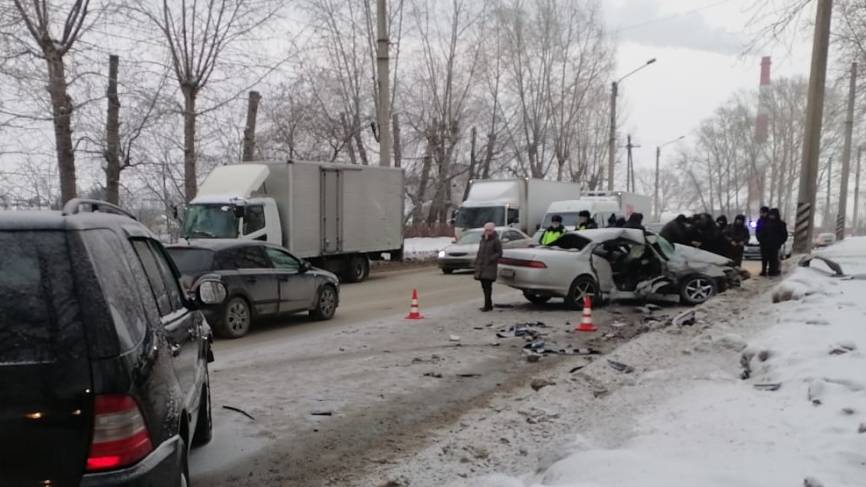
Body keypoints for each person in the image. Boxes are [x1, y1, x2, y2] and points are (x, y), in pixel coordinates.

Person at [474, 222, 502, 312]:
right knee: (484, 287)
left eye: (489, 230)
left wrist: (491, 258)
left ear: (493, 230)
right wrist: (477, 262)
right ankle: (488, 305)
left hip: (490, 267)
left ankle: (487, 305)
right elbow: (480, 252)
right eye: (486, 230)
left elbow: (499, 253)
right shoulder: (483, 240)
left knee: (487, 287)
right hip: (482, 267)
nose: (487, 232)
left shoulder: (496, 240)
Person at [764, 208, 788, 276]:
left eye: (773, 215)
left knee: (774, 259)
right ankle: (767, 270)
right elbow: (762, 233)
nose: (771, 216)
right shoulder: (766, 223)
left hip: (775, 245)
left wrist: (780, 242)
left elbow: (784, 235)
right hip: (766, 244)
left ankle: (774, 271)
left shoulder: (781, 224)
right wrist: (763, 241)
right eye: (770, 215)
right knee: (766, 258)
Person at [755, 206, 771, 276]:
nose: (761, 214)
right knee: (764, 257)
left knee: (771, 258)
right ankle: (763, 270)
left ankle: (771, 270)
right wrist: (759, 238)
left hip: (770, 242)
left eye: (763, 213)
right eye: (761, 213)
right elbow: (757, 230)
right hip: (763, 242)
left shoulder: (770, 220)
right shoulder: (760, 220)